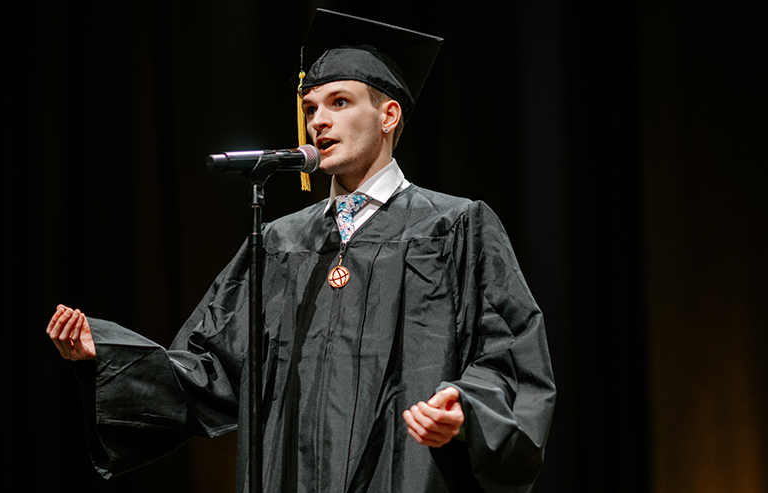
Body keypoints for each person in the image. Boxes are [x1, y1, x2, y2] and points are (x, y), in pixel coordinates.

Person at [47, 9, 555, 493]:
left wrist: (466, 410)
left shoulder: (455, 227)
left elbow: (507, 357)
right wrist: (110, 353)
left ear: (388, 115)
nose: (318, 121)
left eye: (339, 102)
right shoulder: (279, 242)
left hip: (407, 473)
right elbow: (212, 370)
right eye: (310, 108)